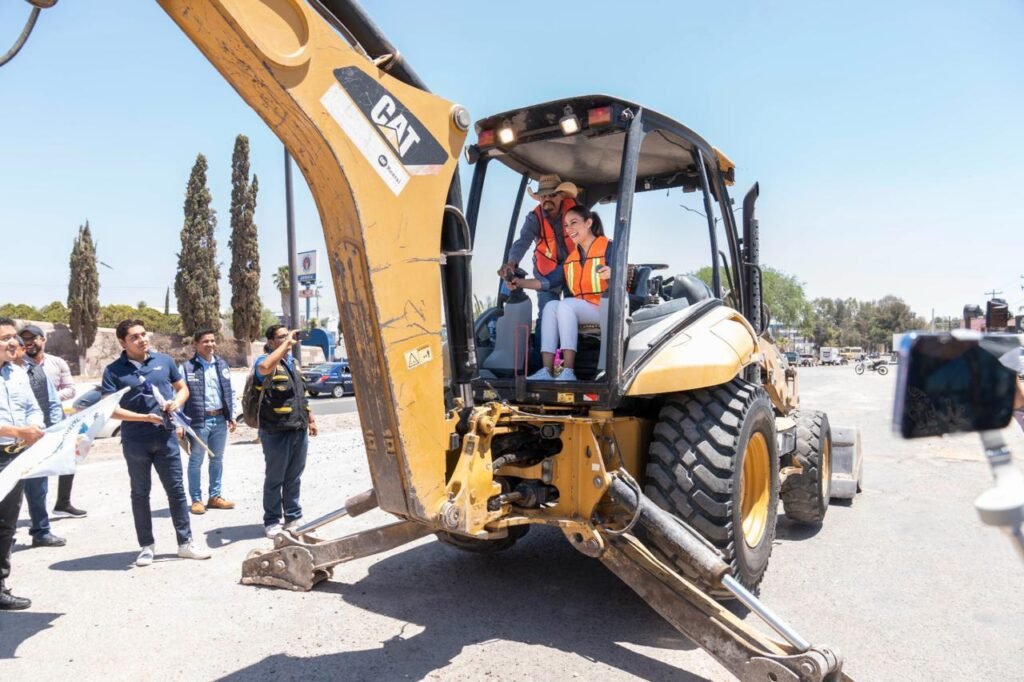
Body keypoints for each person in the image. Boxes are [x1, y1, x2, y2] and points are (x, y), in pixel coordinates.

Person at [101, 319, 210, 566]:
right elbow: (110, 410)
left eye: (143, 334)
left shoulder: (164, 361)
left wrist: (176, 403)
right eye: (134, 337)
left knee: (177, 491)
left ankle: (185, 543)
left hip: (166, 437)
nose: (142, 340)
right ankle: (146, 546)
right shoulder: (113, 371)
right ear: (122, 342)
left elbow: (182, 389)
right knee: (140, 493)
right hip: (135, 441)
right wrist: (143, 417)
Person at [510, 205, 613, 381]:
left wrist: (612, 273)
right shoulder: (571, 259)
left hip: (606, 309)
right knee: (550, 306)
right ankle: (546, 370)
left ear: (589, 223)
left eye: (574, 223)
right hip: (583, 310)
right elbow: (547, 282)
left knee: (566, 304)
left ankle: (568, 371)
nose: (569, 229)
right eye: (566, 225)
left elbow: (622, 275)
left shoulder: (609, 248)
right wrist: (519, 283)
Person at [253, 325, 318, 537]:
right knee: (275, 478)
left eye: (288, 336)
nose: (287, 339)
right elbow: (264, 368)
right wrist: (285, 346)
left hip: (298, 427)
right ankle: (271, 519)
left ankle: (293, 516)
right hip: (276, 430)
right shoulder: (265, 361)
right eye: (281, 337)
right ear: (271, 342)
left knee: (294, 476)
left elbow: (301, 394)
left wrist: (310, 418)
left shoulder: (293, 363)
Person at [0, 317, 45, 609]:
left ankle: (0, 585)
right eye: (5, 338)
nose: (13, 342)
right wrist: (19, 432)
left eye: (13, 337)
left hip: (15, 457)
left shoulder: (16, 373)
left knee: (6, 525)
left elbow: (33, 408)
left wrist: (35, 429)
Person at [19, 324, 84, 519]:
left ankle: (63, 503)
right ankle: (35, 517)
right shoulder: (18, 365)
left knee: (68, 460)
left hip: (56, 420)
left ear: (43, 340)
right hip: (31, 424)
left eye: (33, 339)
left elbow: (71, 389)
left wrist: (49, 396)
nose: (29, 343)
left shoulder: (57, 363)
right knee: (36, 470)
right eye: (25, 340)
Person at [498, 174, 580, 318]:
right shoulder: (534, 218)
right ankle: (544, 340)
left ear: (561, 196)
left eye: (552, 195)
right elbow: (523, 241)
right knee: (547, 314)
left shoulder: (576, 213)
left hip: (574, 269)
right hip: (546, 271)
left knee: (573, 313)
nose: (547, 199)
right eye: (543, 196)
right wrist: (511, 263)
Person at [13, 333, 66, 548]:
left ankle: (41, 531)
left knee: (38, 490)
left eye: (17, 345)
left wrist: (52, 432)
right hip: (8, 441)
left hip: (36, 440)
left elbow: (52, 403)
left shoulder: (35, 371)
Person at [179, 329, 236, 515]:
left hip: (220, 419)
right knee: (196, 461)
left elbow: (229, 391)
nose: (210, 344)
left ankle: (215, 497)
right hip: (198, 421)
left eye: (212, 341)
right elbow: (178, 396)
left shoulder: (222, 365)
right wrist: (179, 424)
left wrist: (232, 415)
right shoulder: (186, 368)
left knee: (217, 459)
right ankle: (196, 500)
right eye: (205, 341)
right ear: (195, 344)